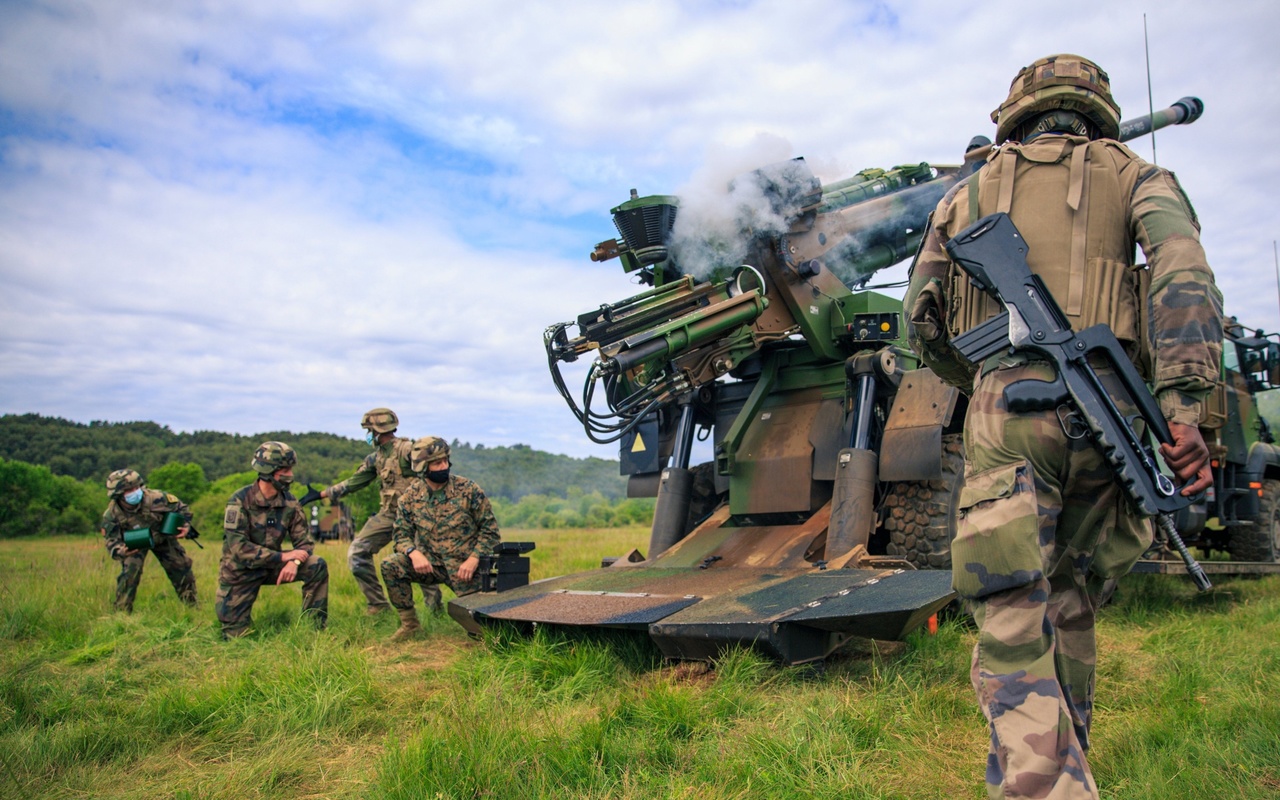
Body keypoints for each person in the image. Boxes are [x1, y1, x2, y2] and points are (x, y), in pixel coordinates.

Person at [904, 54, 1222, 799]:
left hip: (1008, 420)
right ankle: (1053, 770)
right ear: (1096, 110)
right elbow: (1185, 275)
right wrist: (1181, 409)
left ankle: (1047, 786)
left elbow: (921, 316)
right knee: (1071, 605)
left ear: (1017, 112)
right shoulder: (1140, 175)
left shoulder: (967, 191)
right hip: (1110, 409)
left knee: (1015, 616)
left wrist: (984, 378)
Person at [297, 408, 441, 615]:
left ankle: (433, 612)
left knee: (420, 561)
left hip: (417, 517)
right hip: (389, 514)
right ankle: (378, 606)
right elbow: (354, 482)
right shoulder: (376, 458)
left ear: (376, 431)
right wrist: (321, 494)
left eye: (369, 431)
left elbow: (435, 469)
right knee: (357, 553)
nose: (368, 435)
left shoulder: (408, 450)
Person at [380, 436, 500, 640]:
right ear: (422, 466)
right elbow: (401, 535)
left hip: (467, 568)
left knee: (485, 632)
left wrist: (474, 559)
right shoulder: (410, 497)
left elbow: (490, 532)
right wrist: (413, 552)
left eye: (445, 460)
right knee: (391, 565)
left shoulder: (468, 490)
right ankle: (410, 626)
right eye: (437, 463)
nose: (443, 466)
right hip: (432, 564)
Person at [217, 441, 329, 638]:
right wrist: (282, 557)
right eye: (284, 470)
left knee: (316, 564)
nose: (290, 474)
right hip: (240, 572)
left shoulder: (290, 502)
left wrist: (294, 561)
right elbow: (239, 549)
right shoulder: (239, 501)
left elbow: (305, 543)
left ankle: (314, 630)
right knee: (235, 637)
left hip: (271, 568)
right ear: (268, 471)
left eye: (290, 469)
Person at [99, 468, 198, 612]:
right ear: (118, 495)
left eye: (136, 487)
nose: (135, 491)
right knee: (129, 574)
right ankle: (122, 614)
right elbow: (111, 541)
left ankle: (192, 607)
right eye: (129, 490)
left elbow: (182, 509)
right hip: (135, 543)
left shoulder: (157, 498)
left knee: (181, 567)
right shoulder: (112, 515)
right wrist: (122, 551)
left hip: (162, 536)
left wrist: (185, 526)